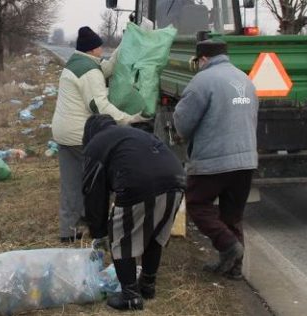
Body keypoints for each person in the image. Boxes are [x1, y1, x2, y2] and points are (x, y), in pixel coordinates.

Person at [173, 40, 259, 279]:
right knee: (232, 215)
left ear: (202, 59)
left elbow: (183, 121)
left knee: (197, 204)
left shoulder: (203, 81)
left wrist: (181, 135)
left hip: (214, 159)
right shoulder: (245, 79)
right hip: (246, 159)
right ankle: (234, 268)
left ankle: (228, 246)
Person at [81, 115, 186, 311]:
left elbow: (93, 192)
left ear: (89, 134)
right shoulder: (131, 133)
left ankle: (130, 296)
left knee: (121, 237)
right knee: (154, 233)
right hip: (176, 179)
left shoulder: (95, 144)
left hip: (139, 184)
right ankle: (147, 286)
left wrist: (99, 231)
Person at [51, 26, 144, 242]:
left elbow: (107, 68)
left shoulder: (77, 63)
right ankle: (96, 229)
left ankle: (69, 230)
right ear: (93, 49)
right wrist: (128, 119)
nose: (102, 49)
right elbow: (99, 105)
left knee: (71, 183)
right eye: (100, 46)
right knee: (96, 184)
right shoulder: (89, 72)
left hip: (63, 132)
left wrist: (126, 43)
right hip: (80, 135)